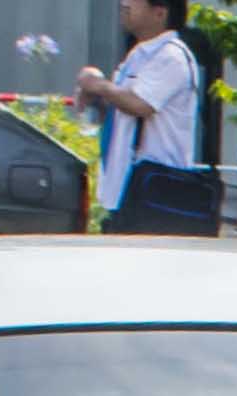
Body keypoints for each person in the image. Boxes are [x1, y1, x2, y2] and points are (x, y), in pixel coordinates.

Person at [69, 0, 212, 236]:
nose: (124, 4)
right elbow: (123, 111)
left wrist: (98, 85)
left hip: (155, 196)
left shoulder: (171, 56)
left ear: (159, 13)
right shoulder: (139, 54)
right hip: (129, 194)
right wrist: (97, 96)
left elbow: (140, 104)